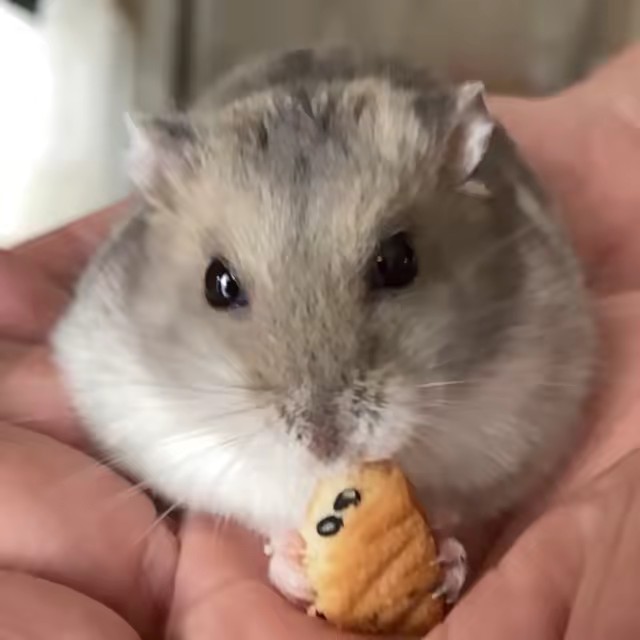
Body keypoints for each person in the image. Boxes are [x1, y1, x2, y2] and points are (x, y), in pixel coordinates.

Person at [1, 44, 640, 640]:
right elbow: (103, 378)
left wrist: (445, 511)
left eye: (392, 267)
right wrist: (272, 520)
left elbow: (539, 407)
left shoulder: (522, 304)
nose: (319, 423)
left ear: (458, 147)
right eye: (227, 287)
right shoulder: (131, 332)